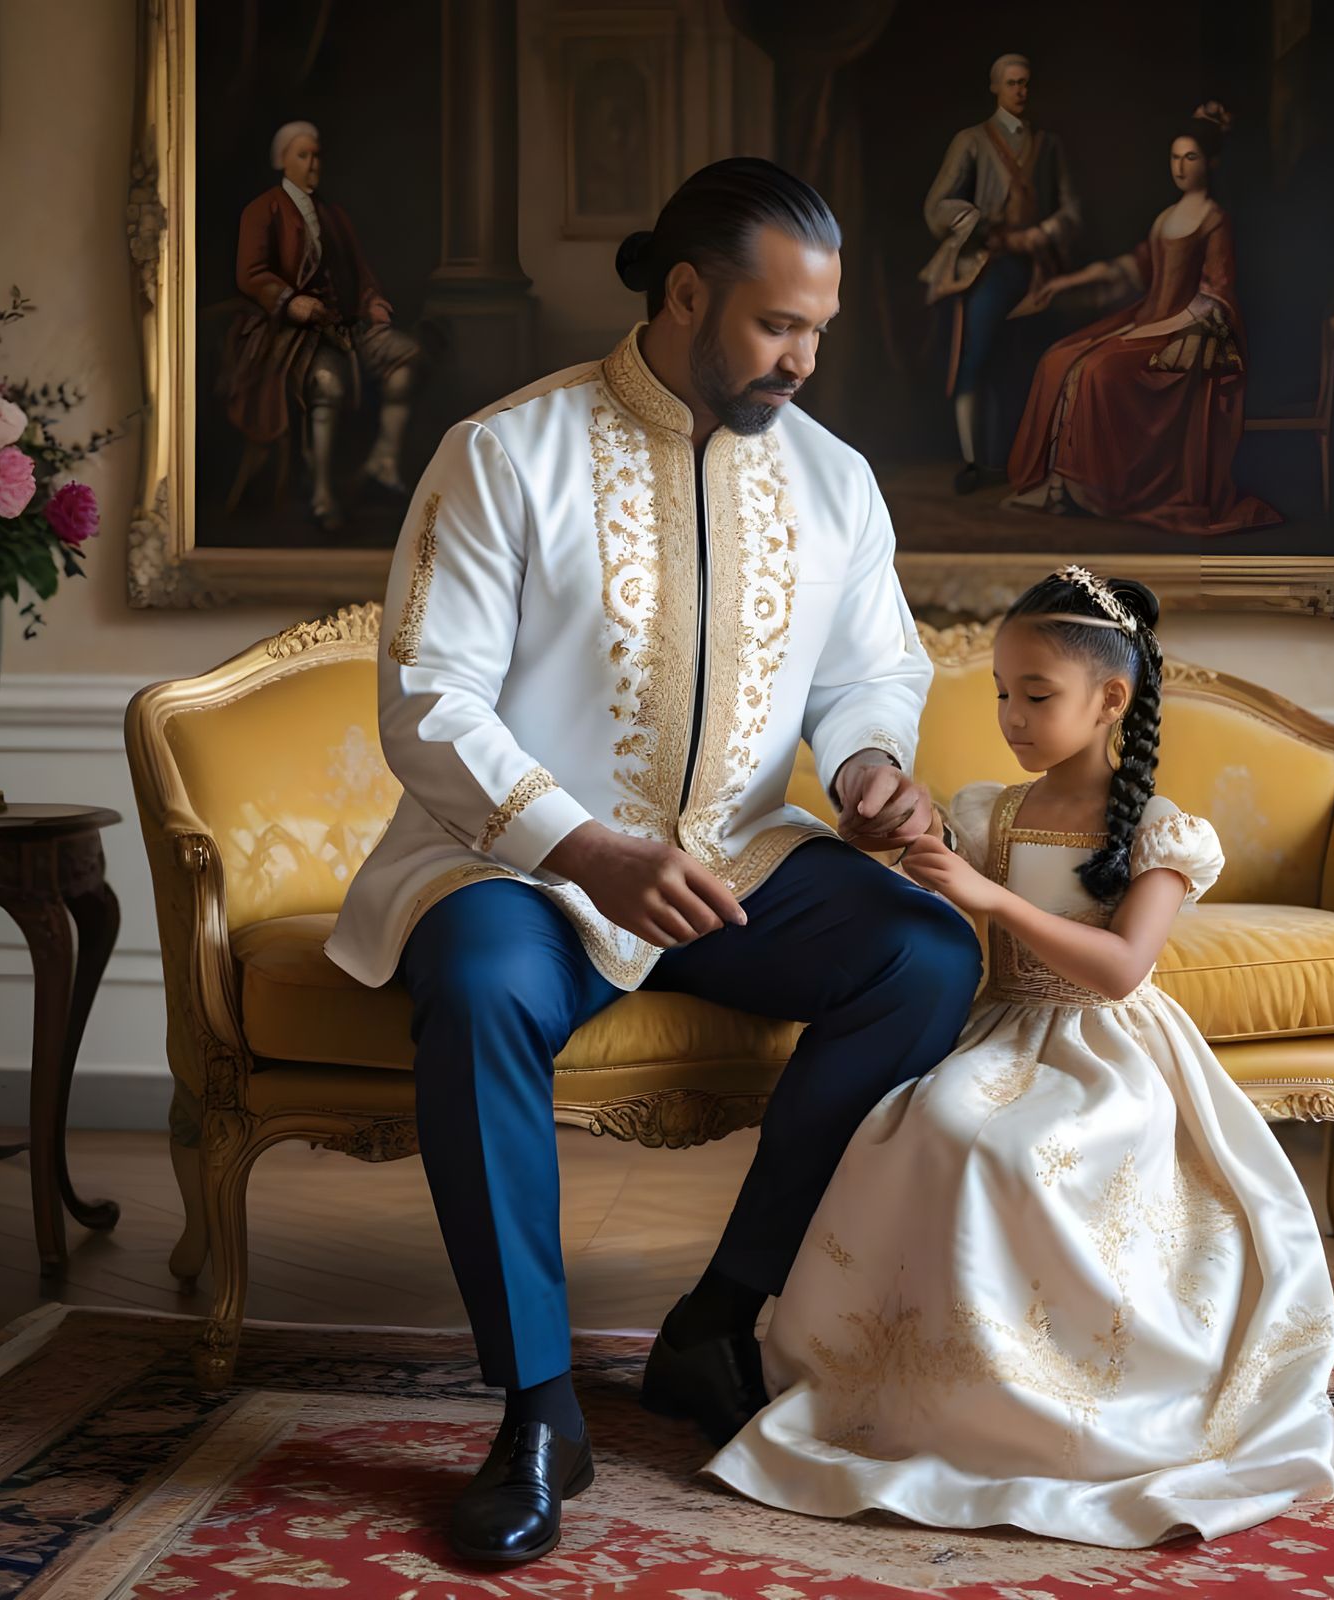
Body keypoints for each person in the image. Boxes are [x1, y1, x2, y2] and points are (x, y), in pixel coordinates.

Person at [324, 158, 983, 1567]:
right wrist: (583, 847)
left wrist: (868, 761)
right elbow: (428, 700)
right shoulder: (507, 452)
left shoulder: (836, 481)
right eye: (774, 326)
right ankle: (538, 1405)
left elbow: (875, 668)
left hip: (737, 857)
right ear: (685, 295)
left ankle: (717, 1320)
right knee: (483, 983)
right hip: (527, 864)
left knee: (925, 952)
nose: (804, 360)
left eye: (820, 329)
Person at [706, 565, 1334, 1548]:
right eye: (1001, 691)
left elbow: (1124, 968)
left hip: (1105, 1050)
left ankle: (1061, 1377)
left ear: (1109, 699)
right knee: (922, 1120)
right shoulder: (994, 810)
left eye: (1033, 695)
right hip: (999, 1029)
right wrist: (885, 825)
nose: (1008, 714)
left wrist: (993, 899)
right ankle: (926, 1376)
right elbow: (915, 849)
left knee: (1021, 1148)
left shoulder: (1157, 830)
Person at [1006, 104, 1281, 534]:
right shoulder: (1166, 218)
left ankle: (1097, 489)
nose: (1180, 166)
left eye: (1190, 157)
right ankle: (1060, 485)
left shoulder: (1214, 220)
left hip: (1183, 329)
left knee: (1097, 369)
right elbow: (1129, 269)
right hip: (1145, 320)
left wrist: (1155, 329)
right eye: (1174, 157)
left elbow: (1216, 295)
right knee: (1058, 359)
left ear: (1211, 162)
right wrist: (1062, 284)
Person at [221, 120, 424, 530]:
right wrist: (290, 301)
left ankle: (382, 463)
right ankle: (322, 492)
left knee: (407, 361)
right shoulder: (263, 209)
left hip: (346, 327)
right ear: (282, 160)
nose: (313, 163)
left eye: (316, 155)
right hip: (289, 336)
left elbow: (361, 273)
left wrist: (374, 303)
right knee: (328, 386)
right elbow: (251, 273)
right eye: (303, 155)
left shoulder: (334, 215)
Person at [921, 53, 1080, 494]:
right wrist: (983, 226)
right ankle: (974, 461)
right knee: (974, 360)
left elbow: (1071, 209)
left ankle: (1030, 461)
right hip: (988, 267)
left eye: (1026, 83)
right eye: (1012, 83)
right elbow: (937, 206)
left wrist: (1045, 232)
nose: (1020, 91)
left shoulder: (1048, 144)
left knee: (1036, 364)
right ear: (996, 87)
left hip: (1038, 271)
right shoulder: (971, 140)